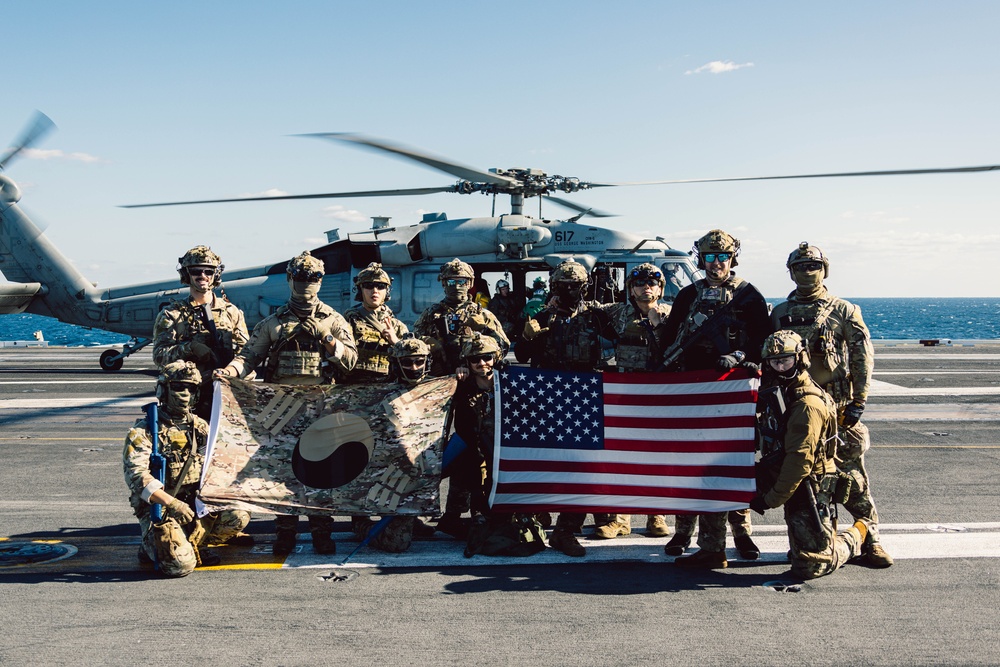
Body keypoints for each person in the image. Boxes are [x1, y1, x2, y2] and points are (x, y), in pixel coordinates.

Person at [218, 250, 357, 556]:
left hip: (320, 409)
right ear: (290, 279)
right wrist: (229, 372)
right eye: (302, 277)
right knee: (284, 473)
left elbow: (351, 361)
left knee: (320, 472)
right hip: (282, 409)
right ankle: (286, 532)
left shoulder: (333, 320)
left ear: (321, 281)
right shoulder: (274, 323)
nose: (307, 283)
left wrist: (329, 341)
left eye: (314, 278)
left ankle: (322, 531)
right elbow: (249, 356)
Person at [770, 242, 892, 568]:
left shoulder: (843, 310)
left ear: (825, 270)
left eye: (813, 266)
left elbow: (862, 357)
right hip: (797, 410)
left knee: (853, 477)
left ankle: (872, 537)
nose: (807, 272)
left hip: (838, 410)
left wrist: (859, 401)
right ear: (791, 272)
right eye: (800, 267)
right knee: (809, 479)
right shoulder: (780, 313)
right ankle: (822, 536)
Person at [656, 229, 772, 568]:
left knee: (733, 462)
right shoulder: (688, 295)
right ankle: (683, 530)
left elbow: (763, 342)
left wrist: (739, 356)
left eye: (722, 257)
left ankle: (740, 531)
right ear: (700, 259)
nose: (716, 263)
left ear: (732, 259)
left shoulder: (749, 296)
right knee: (689, 463)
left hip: (734, 394)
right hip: (694, 391)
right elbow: (670, 341)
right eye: (709, 257)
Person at [515, 259, 619, 556]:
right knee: (547, 464)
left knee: (583, 467)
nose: (569, 290)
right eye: (563, 285)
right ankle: (539, 515)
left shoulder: (597, 317)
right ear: (553, 287)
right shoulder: (543, 317)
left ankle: (566, 529)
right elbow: (522, 354)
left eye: (575, 286)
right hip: (548, 400)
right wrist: (527, 335)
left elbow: (622, 343)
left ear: (584, 287)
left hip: (584, 400)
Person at [749, 331, 871, 579]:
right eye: (775, 362)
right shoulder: (781, 390)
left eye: (786, 360)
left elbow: (799, 462)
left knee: (810, 566)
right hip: (783, 472)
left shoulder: (806, 404)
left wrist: (770, 499)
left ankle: (859, 533)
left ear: (800, 358)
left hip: (810, 485)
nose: (781, 367)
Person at [123, 361, 250, 577]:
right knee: (178, 566)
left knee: (238, 516)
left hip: (195, 503)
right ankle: (153, 544)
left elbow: (215, 465)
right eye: (178, 387)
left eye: (191, 389)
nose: (185, 394)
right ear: (164, 389)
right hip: (163, 506)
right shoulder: (144, 432)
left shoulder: (199, 426)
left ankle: (193, 543)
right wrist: (171, 503)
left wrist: (210, 504)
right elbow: (137, 477)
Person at [591, 263, 672, 540]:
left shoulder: (673, 316)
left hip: (660, 396)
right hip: (625, 394)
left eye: (652, 282)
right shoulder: (617, 312)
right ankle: (619, 518)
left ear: (660, 288)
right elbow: (586, 310)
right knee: (621, 454)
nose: (645, 287)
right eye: (639, 282)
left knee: (656, 456)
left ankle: (656, 514)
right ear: (631, 288)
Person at [353, 337, 434, 553]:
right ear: (396, 364)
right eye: (406, 363)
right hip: (389, 475)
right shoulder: (379, 394)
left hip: (424, 470)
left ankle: (411, 516)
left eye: (419, 362)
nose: (414, 368)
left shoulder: (439, 388)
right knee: (397, 543)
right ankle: (360, 524)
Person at [152, 245, 249, 418]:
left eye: (209, 271)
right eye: (196, 271)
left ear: (216, 275)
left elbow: (247, 356)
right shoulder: (172, 314)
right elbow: (159, 356)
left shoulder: (232, 313)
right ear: (186, 274)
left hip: (227, 396)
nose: (203, 276)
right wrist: (189, 348)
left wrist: (230, 372)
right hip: (187, 400)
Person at [414, 259, 509, 379]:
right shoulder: (431, 314)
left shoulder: (483, 315)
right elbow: (413, 345)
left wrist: (484, 330)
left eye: (462, 281)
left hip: (475, 377)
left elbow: (503, 347)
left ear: (470, 284)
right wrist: (426, 342)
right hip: (440, 377)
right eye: (451, 282)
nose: (457, 286)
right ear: (443, 283)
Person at [343, 262, 408, 384]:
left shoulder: (397, 326)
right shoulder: (348, 321)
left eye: (381, 286)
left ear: (387, 291)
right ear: (360, 290)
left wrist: (396, 342)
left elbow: (411, 362)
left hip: (388, 388)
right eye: (368, 286)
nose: (375, 291)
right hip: (354, 387)